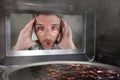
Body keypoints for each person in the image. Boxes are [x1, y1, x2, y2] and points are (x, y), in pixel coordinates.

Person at [12, 14, 76, 50]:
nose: (47, 36)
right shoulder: (26, 51)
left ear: (61, 30)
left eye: (54, 28)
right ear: (34, 29)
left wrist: (72, 49)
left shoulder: (67, 50)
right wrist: (17, 48)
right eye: (40, 28)